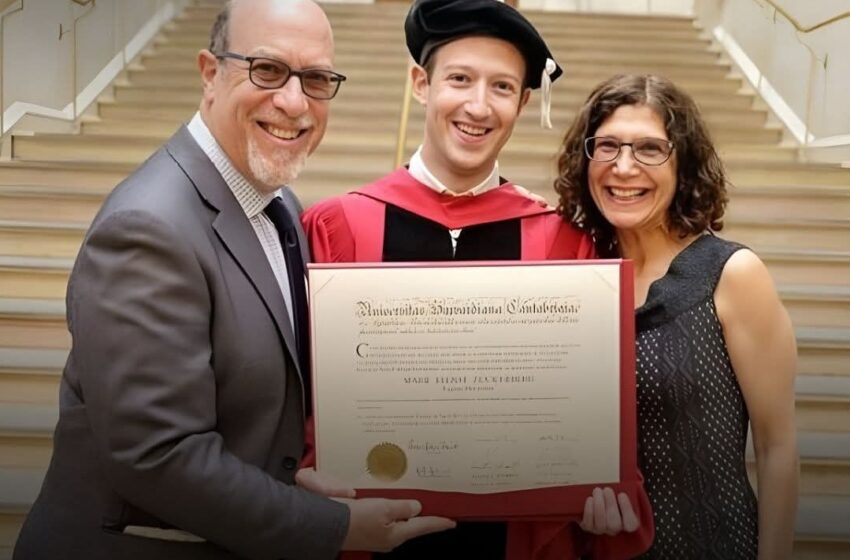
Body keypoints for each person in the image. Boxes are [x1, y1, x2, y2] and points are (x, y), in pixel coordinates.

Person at [13, 1, 455, 559]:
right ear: (209, 73)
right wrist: (334, 527)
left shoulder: (279, 206)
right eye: (267, 70)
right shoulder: (148, 229)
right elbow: (160, 454)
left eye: (316, 79)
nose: (294, 102)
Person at [302, 1, 654, 559]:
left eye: (502, 87)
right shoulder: (340, 225)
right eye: (460, 79)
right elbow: (306, 401)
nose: (478, 105)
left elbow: (584, 409)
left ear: (522, 102)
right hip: (369, 534)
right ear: (421, 83)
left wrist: (603, 489)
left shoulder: (563, 243)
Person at [554, 73, 799, 559]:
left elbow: (778, 449)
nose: (624, 167)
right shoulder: (576, 276)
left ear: (682, 164)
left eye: (649, 149)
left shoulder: (731, 274)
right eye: (607, 147)